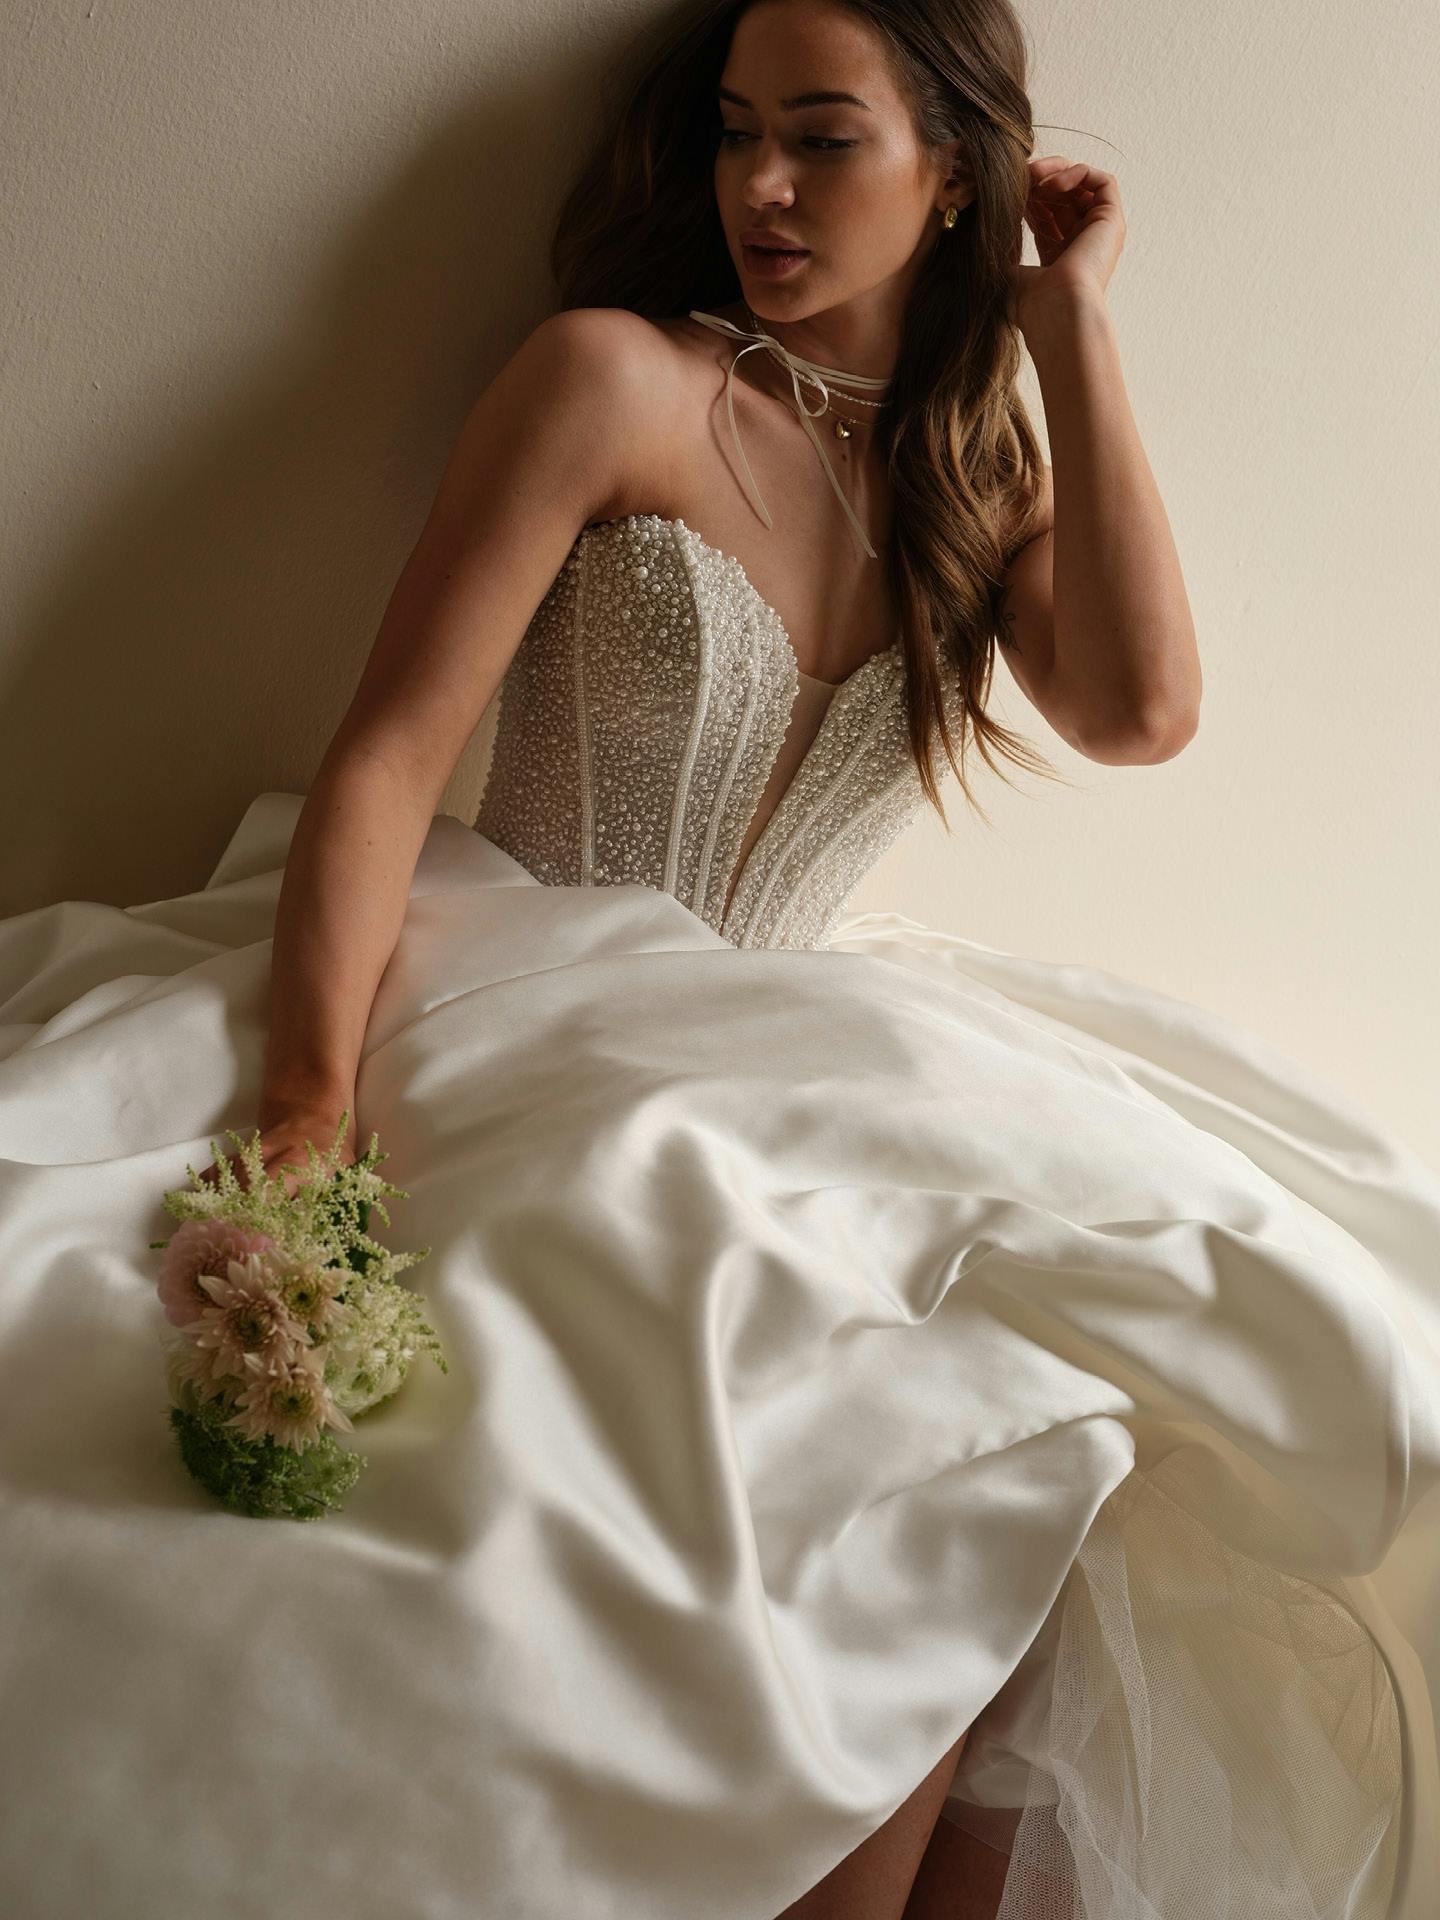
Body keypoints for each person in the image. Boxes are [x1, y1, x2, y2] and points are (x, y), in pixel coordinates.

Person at [0, 3, 1436, 1919]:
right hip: (521, 993)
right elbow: (385, 758)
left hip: (791, 1048)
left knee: (1011, 1433)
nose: (759, 185)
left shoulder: (971, 486)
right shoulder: (614, 382)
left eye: (824, 138)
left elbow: (1147, 709)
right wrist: (303, 1124)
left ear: (955, 176)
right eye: (739, 131)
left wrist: (1071, 316)